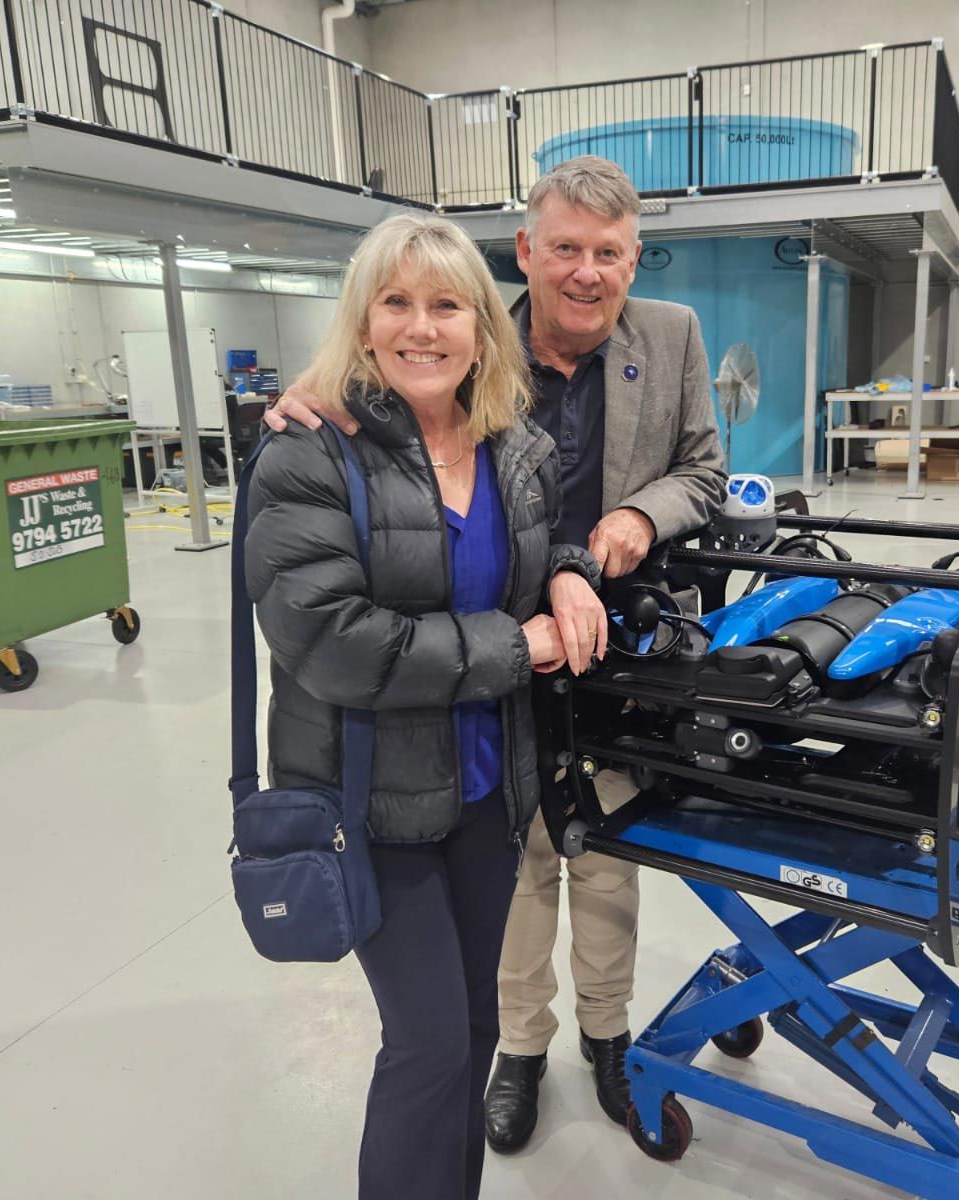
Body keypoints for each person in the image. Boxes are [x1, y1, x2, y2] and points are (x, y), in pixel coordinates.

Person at [266, 156, 725, 1153]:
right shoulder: (470, 326)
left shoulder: (673, 337)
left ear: (632, 258)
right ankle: (515, 1046)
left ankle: (607, 1039)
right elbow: (381, 358)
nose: (586, 273)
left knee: (604, 854)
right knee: (516, 865)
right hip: (483, 657)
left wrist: (635, 522)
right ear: (525, 252)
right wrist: (312, 385)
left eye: (608, 254)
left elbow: (704, 469)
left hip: (607, 647)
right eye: (564, 248)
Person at [243, 212, 608, 1199]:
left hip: (488, 797)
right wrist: (516, 646)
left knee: (479, 1030)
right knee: (430, 1042)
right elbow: (327, 641)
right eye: (395, 304)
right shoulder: (311, 452)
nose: (421, 327)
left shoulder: (513, 446)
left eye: (446, 304)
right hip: (371, 804)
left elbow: (531, 553)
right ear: (362, 325)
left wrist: (569, 574)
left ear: (481, 326)